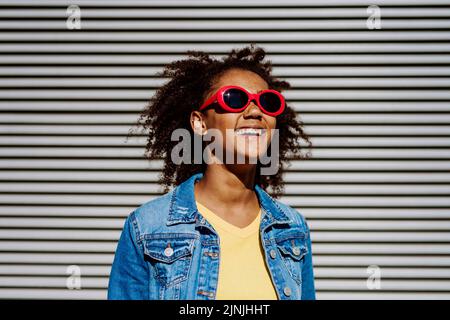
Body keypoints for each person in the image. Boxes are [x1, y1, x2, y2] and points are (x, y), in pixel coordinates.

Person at [107, 44, 315, 300]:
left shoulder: (292, 229)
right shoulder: (147, 227)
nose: (254, 111)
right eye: (235, 99)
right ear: (200, 123)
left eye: (267, 102)